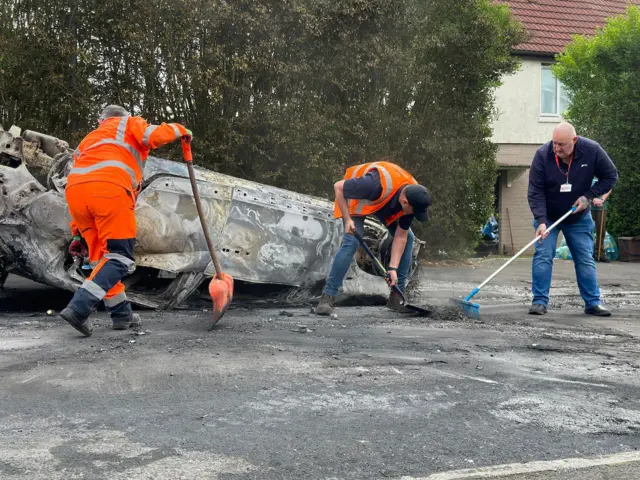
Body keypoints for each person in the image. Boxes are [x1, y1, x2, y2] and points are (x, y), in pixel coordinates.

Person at [61, 105, 192, 336]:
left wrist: (76, 233)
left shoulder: (88, 140)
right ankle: (79, 307)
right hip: (109, 191)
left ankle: (122, 315)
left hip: (75, 196)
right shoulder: (128, 123)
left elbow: (77, 176)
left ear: (102, 121)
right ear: (122, 116)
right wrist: (180, 129)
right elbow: (154, 136)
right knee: (119, 257)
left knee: (101, 260)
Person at [315, 161, 432, 315]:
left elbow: (401, 237)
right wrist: (348, 219)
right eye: (413, 211)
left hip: (382, 202)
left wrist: (393, 269)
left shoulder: (414, 196)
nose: (413, 215)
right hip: (357, 200)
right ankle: (327, 297)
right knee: (351, 242)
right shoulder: (371, 184)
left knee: (409, 237)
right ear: (405, 202)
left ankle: (396, 297)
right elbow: (338, 186)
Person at [527, 122, 618, 317]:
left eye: (561, 144)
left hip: (578, 217)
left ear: (574, 141)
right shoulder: (543, 155)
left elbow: (610, 176)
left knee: (585, 258)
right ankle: (539, 302)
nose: (556, 148)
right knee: (543, 255)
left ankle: (593, 303)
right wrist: (541, 221)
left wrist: (588, 196)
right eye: (554, 143)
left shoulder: (592, 150)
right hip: (549, 217)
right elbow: (535, 191)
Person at [590, 177, 612, 262]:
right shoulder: (588, 172)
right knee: (587, 230)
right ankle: (589, 253)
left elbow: (609, 189)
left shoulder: (604, 175)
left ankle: (600, 253)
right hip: (587, 207)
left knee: (601, 231)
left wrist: (602, 199)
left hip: (601, 207)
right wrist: (592, 198)